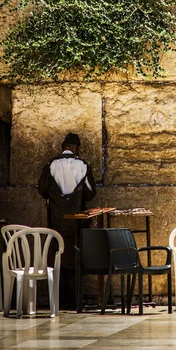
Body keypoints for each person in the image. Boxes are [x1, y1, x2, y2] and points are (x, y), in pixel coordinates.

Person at [38, 132, 96, 308]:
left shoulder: (51, 165)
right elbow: (91, 193)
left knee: (57, 254)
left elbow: (42, 189)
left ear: (63, 147)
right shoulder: (83, 165)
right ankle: (74, 299)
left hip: (56, 220)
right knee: (75, 254)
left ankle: (59, 299)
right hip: (76, 221)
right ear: (77, 148)